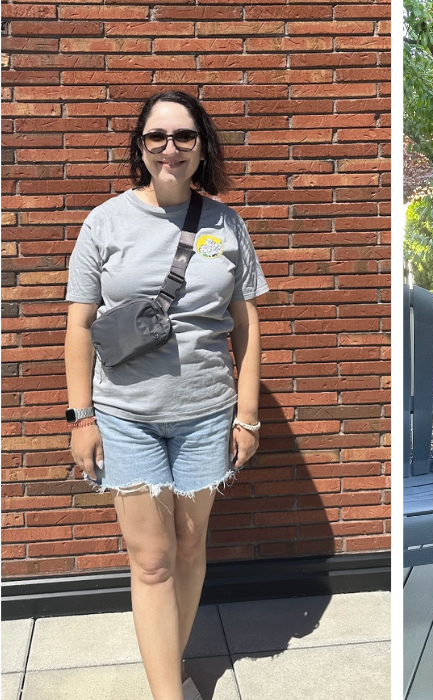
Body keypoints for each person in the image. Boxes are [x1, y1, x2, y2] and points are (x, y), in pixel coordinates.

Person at [65, 91, 269, 700]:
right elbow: (79, 325)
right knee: (151, 559)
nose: (170, 148)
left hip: (207, 414)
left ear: (202, 146)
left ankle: (168, 665)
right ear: (140, 146)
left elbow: (247, 326)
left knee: (188, 545)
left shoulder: (226, 224)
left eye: (183, 136)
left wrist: (249, 416)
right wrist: (81, 418)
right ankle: (167, 694)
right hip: (126, 416)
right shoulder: (105, 222)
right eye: (157, 137)